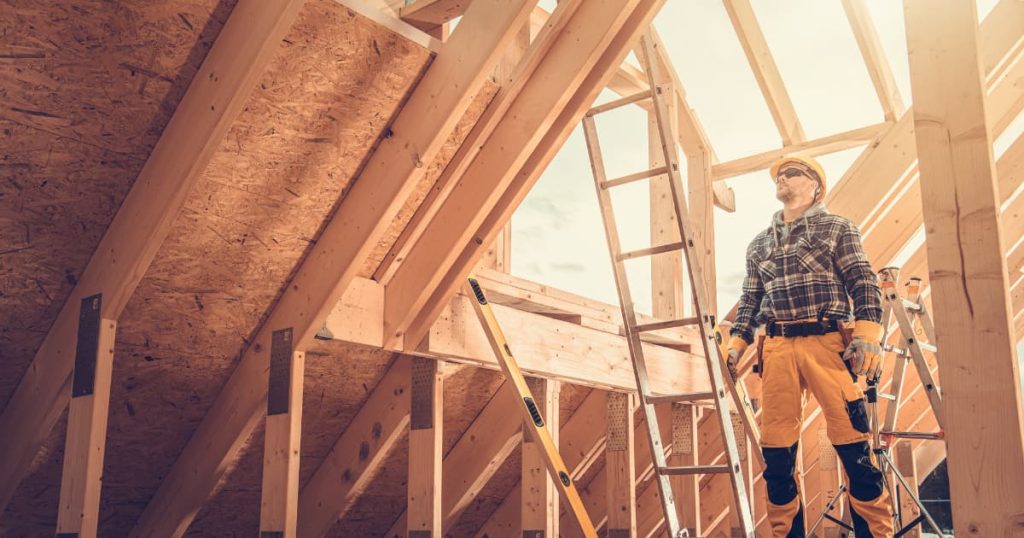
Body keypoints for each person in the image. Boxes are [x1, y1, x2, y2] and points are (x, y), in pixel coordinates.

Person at [725, 155, 893, 537]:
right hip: (778, 349)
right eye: (779, 176)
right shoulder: (759, 244)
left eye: (792, 173)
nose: (782, 178)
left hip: (828, 344)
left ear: (815, 184)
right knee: (777, 456)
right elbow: (750, 301)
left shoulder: (837, 228)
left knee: (855, 449)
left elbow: (863, 281)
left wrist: (868, 335)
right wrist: (736, 344)